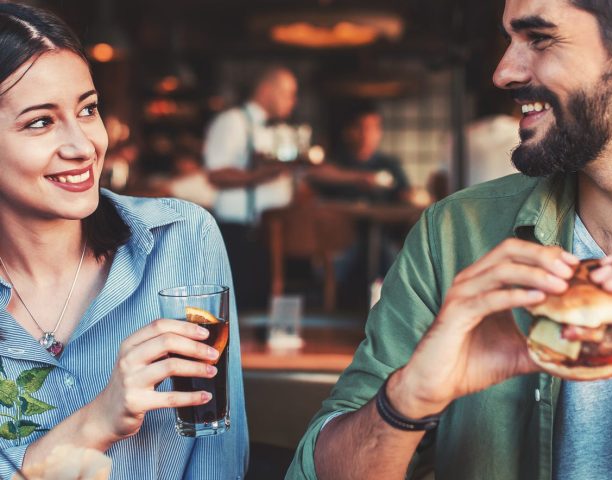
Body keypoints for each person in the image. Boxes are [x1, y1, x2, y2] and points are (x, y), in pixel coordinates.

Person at [288, 0, 612, 478]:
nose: (503, 73)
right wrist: (407, 401)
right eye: (510, 41)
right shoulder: (454, 237)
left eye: (540, 38)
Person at [0, 4, 247, 479]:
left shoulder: (181, 241)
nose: (83, 145)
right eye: (40, 122)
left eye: (87, 109)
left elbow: (219, 458)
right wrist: (97, 420)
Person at [203, 66, 297, 311]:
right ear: (266, 91)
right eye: (287, 93)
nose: (292, 101)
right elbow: (216, 174)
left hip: (273, 230)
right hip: (240, 230)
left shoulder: (276, 129)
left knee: (267, 305)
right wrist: (261, 176)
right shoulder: (232, 122)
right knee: (241, 307)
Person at [307, 101, 411, 204]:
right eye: (361, 127)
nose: (366, 135)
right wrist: (360, 178)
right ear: (347, 131)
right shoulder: (337, 161)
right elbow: (314, 176)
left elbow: (405, 193)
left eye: (373, 128)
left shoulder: (390, 164)